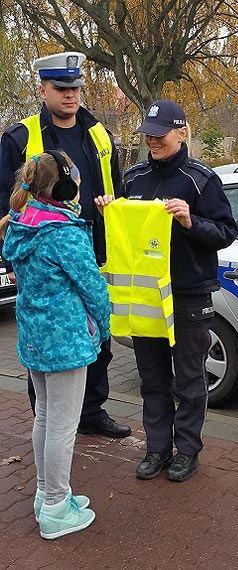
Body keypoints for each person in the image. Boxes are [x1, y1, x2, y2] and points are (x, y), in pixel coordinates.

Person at [96, 99, 238, 482]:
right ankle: (157, 448)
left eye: (160, 135)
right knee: (153, 380)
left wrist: (192, 221)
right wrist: (109, 208)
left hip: (188, 295)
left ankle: (187, 451)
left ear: (181, 132)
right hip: (145, 298)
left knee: (190, 380)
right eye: (149, 135)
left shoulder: (201, 180)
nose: (153, 142)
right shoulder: (136, 177)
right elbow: (123, 234)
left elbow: (226, 233)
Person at [0, 51, 131, 439]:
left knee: (98, 339)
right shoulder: (20, 137)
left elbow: (117, 187)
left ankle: (91, 412)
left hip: (93, 245)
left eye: (75, 87)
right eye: (61, 88)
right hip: (42, 249)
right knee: (46, 332)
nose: (71, 95)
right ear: (42, 89)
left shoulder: (99, 134)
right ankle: (49, 418)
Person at [0, 151, 109, 538]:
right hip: (65, 343)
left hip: (34, 339)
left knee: (45, 417)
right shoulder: (63, 233)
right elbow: (93, 287)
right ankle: (56, 508)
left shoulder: (21, 225)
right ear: (64, 187)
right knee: (63, 425)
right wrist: (106, 324)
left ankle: (46, 495)